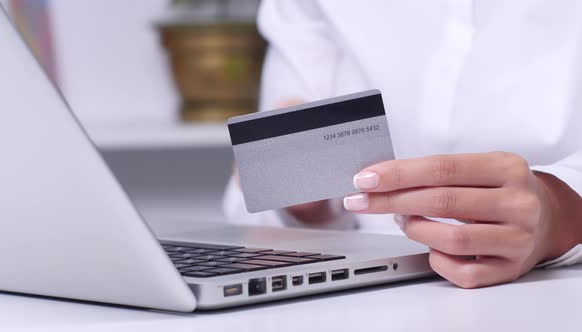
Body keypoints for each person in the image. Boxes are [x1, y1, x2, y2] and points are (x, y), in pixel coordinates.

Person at [223, 0, 582, 288]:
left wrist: (558, 214)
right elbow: (258, 204)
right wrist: (302, 205)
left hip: (552, 290)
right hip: (348, 290)